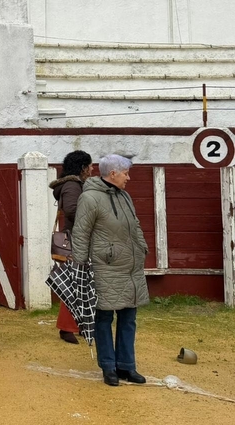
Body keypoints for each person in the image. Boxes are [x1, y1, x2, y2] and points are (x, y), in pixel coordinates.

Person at [72, 154, 150, 387]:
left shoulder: (125, 196)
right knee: (103, 317)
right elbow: (81, 233)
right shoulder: (89, 198)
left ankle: (127, 366)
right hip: (103, 268)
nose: (129, 177)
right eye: (125, 172)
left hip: (130, 268)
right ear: (113, 173)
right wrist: (80, 266)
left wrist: (142, 248)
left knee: (128, 318)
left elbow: (135, 225)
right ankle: (109, 367)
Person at [49, 150, 93, 344]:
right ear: (83, 168)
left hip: (77, 239)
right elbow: (73, 210)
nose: (92, 169)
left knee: (79, 284)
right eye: (90, 166)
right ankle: (67, 328)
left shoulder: (71, 184)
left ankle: (76, 326)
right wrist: (94, 220)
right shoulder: (73, 185)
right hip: (76, 241)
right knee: (76, 284)